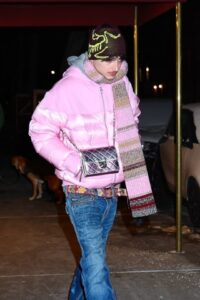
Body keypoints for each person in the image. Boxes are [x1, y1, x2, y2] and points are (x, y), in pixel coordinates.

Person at [29, 24, 157, 300]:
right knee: (97, 266)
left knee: (91, 257)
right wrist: (75, 163)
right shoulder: (66, 89)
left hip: (111, 193)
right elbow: (39, 131)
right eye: (108, 58)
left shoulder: (122, 83)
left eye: (120, 58)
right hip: (81, 193)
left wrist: (133, 177)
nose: (116, 65)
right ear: (93, 55)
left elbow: (131, 123)